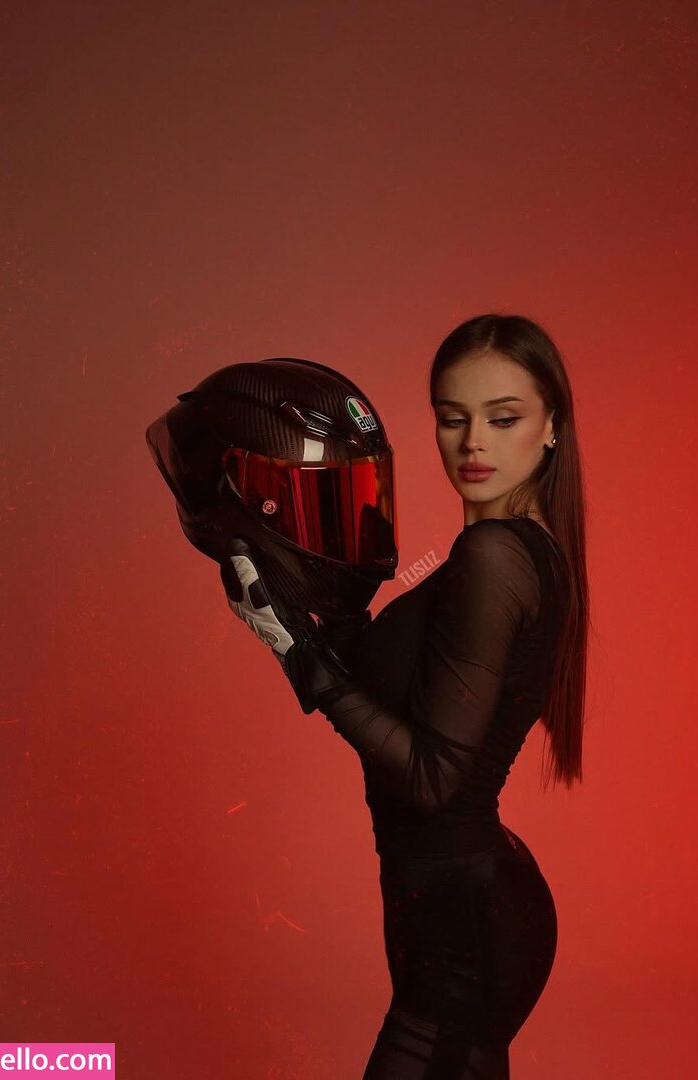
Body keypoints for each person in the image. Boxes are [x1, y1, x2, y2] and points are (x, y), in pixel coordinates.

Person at [224, 313, 589, 1078]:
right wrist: (308, 607)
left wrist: (299, 658)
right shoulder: (502, 556)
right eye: (452, 418)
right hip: (448, 907)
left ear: (551, 426)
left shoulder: (493, 556)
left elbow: (430, 777)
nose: (473, 443)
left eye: (503, 419)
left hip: (463, 925)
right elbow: (405, 697)